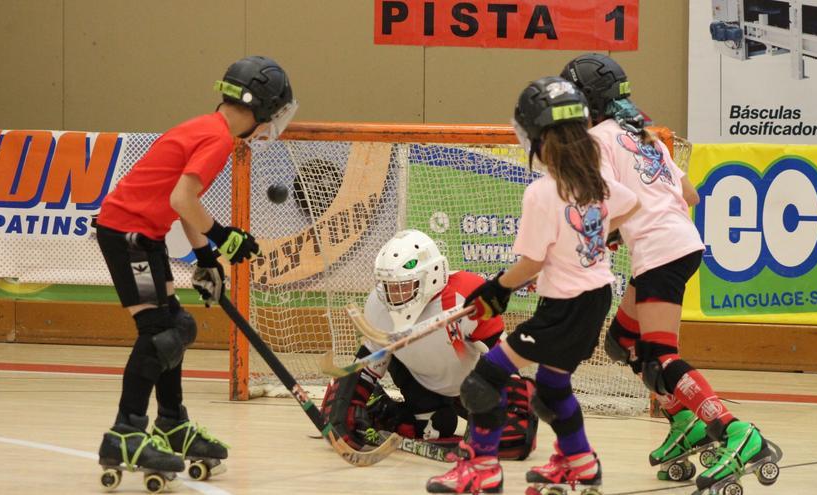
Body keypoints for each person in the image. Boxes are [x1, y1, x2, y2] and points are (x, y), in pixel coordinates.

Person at [562, 53, 781, 491]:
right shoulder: (643, 135)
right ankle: (687, 421)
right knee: (623, 341)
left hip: (662, 252)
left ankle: (736, 432)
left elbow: (606, 202)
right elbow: (691, 194)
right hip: (678, 244)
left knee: (662, 357)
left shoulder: (598, 141)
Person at [425, 77, 638, 494]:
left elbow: (532, 263)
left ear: (537, 137)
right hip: (595, 301)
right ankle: (581, 463)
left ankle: (481, 468)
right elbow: (633, 205)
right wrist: (595, 236)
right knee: (552, 388)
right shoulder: (596, 182)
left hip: (564, 308)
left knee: (483, 379)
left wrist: (495, 290)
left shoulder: (543, 192)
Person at [94, 55, 297, 486]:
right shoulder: (219, 140)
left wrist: (206, 259)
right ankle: (125, 432)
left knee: (177, 325)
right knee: (158, 333)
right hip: (128, 235)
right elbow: (183, 201)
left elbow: (181, 199)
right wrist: (226, 236)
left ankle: (171, 423)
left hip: (143, 236)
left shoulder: (205, 128)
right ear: (261, 108)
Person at [321, 229, 538, 461]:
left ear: (432, 274)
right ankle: (381, 407)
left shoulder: (466, 293)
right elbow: (367, 365)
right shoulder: (377, 304)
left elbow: (503, 358)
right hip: (420, 382)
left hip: (473, 387)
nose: (393, 296)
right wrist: (344, 405)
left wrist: (512, 403)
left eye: (402, 286)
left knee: (512, 440)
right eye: (388, 287)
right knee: (438, 425)